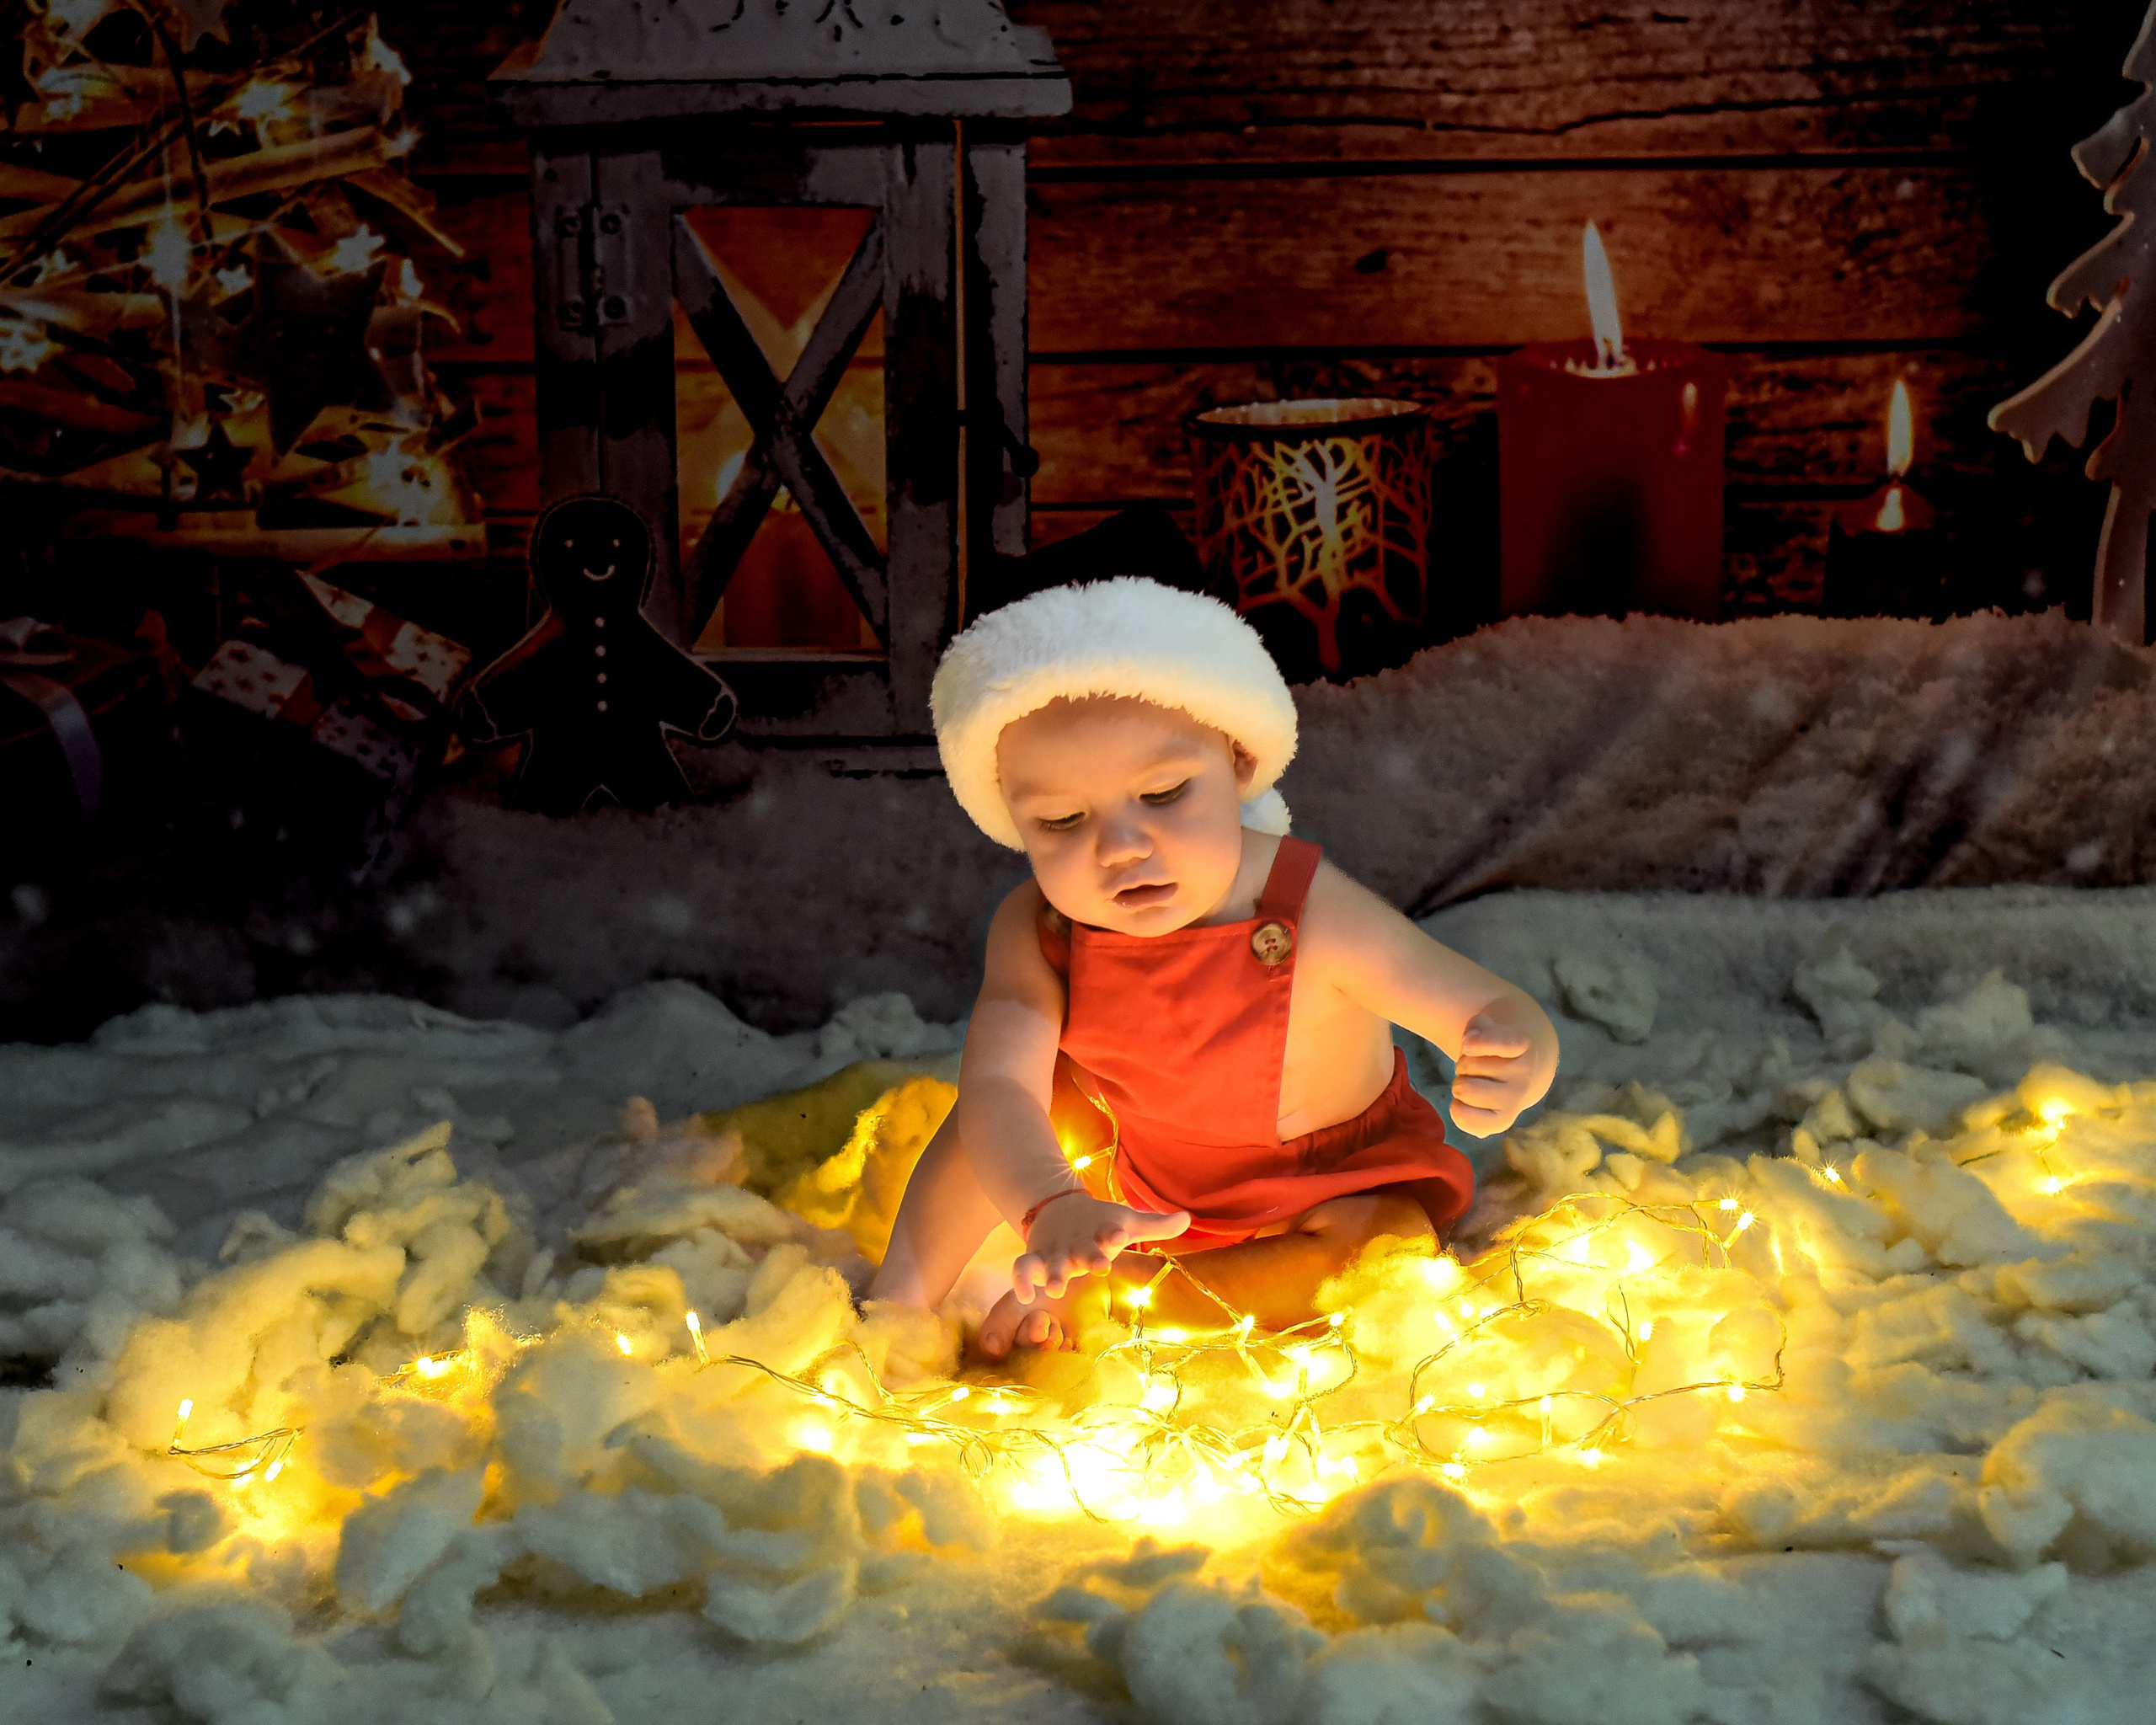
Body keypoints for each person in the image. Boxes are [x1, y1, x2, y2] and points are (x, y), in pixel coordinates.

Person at [868, 578, 1557, 1357]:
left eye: (1162, 794)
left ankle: (1122, 1307)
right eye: (1061, 820)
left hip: (1322, 1190)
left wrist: (1515, 1050)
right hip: (1136, 1177)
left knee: (1386, 1251)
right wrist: (1047, 1201)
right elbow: (997, 1085)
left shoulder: (1305, 908)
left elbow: (1478, 1007)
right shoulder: (1040, 929)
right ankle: (898, 1302)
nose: (1121, 848)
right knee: (1005, 1107)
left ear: (1236, 761)